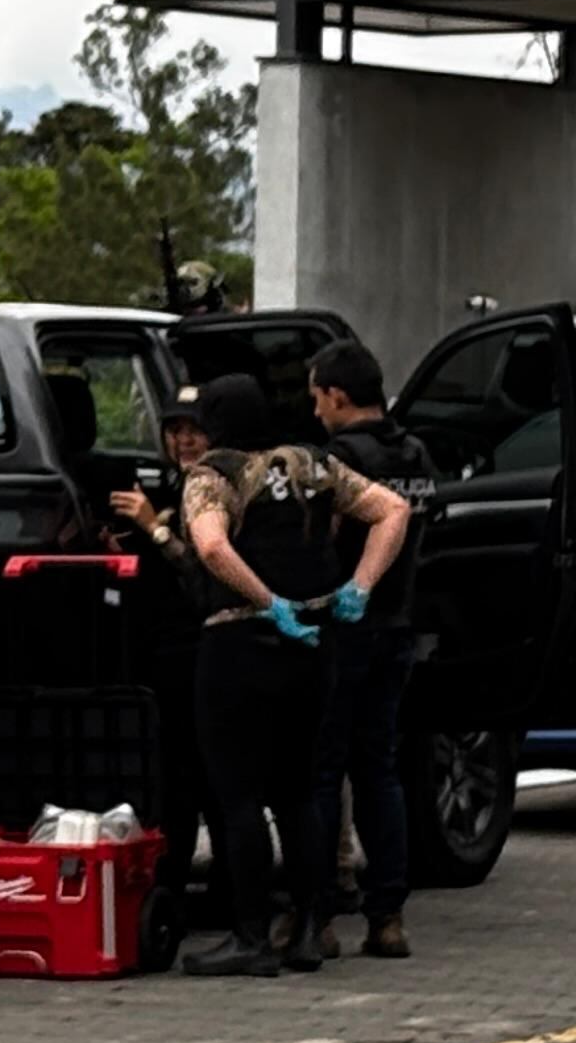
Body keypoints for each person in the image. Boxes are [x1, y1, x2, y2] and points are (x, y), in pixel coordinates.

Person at [171, 373, 409, 975]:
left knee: (239, 795)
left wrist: (265, 599)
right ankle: (307, 930)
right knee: (301, 793)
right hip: (313, 644)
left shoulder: (214, 476)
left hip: (238, 645)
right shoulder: (314, 465)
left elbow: (212, 548)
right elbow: (393, 510)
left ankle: (250, 937)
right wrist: (360, 586)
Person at [306, 343, 437, 960]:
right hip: (398, 626)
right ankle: (388, 917)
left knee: (326, 771)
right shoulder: (414, 453)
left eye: (315, 397)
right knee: (380, 770)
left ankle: (323, 917)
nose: (314, 410)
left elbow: (322, 537)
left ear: (336, 395)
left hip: (345, 626)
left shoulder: (339, 459)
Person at [110, 387, 218, 934]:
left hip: (204, 648)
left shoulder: (217, 487)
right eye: (175, 430)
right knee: (171, 770)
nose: (184, 440)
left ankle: (220, 892)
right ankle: (170, 878)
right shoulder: (175, 484)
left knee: (206, 775)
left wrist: (154, 525)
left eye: (195, 429)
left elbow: (201, 569)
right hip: (163, 648)